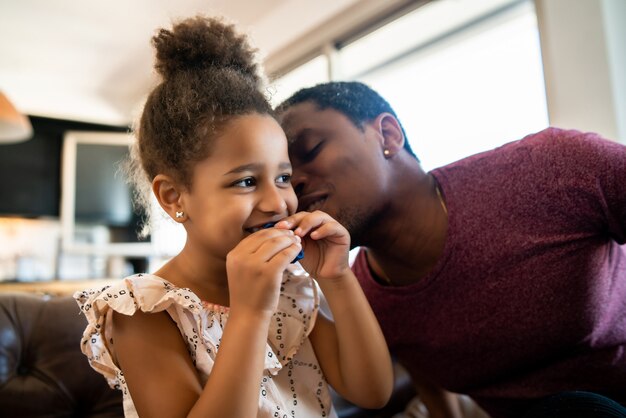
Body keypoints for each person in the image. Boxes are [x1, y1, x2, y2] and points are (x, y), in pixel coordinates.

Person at [74, 20, 393, 418]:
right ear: (174, 196)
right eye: (245, 181)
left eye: (283, 178)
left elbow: (373, 391)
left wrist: (338, 278)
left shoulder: (290, 289)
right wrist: (250, 314)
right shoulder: (145, 312)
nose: (278, 202)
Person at [275, 81, 626, 418]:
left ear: (388, 136)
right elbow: (425, 378)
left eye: (310, 151)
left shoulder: (552, 166)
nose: (296, 183)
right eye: (285, 176)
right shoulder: (366, 303)